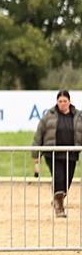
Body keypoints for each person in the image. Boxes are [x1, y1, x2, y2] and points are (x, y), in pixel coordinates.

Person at [32, 90, 82, 218]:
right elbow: (38, 135)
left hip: (71, 154)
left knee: (67, 181)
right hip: (52, 153)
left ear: (69, 101)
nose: (62, 103)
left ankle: (57, 199)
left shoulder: (78, 116)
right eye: (60, 101)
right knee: (59, 178)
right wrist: (36, 157)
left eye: (65, 101)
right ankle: (59, 208)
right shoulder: (49, 116)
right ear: (57, 102)